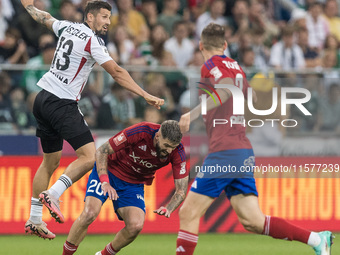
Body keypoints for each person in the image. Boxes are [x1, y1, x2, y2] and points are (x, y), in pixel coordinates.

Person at [175, 23, 333, 255]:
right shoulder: (237, 67)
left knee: (188, 213)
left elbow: (228, 90)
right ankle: (316, 239)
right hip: (242, 150)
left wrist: (193, 113)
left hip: (225, 151)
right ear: (225, 45)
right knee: (254, 221)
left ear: (201, 46)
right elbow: (251, 97)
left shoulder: (211, 65)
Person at [21, 0, 164, 240]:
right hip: (62, 103)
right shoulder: (92, 40)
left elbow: (45, 18)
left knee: (50, 161)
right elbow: (117, 72)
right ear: (89, 17)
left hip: (42, 98)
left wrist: (28, 8)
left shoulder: (67, 27)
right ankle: (54, 194)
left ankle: (34, 219)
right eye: (104, 17)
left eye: (109, 17)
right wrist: (145, 94)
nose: (108, 22)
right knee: (91, 156)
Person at [62, 120, 188, 255]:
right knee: (89, 214)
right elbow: (102, 151)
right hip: (108, 172)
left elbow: (181, 190)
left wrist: (169, 208)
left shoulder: (178, 152)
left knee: (135, 226)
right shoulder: (141, 131)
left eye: (173, 147)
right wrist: (104, 181)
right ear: (157, 136)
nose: (169, 150)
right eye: (167, 145)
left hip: (133, 184)